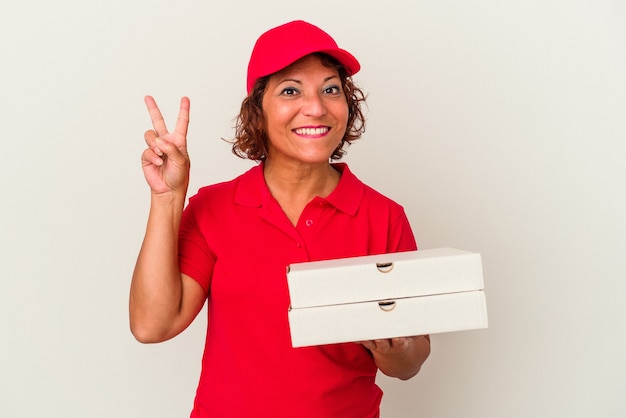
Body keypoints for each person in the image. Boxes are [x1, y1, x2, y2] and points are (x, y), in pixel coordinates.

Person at [130, 20, 430, 418]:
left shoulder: (383, 216)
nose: (316, 107)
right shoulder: (213, 208)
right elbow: (152, 326)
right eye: (291, 90)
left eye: (330, 89)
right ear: (258, 110)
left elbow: (409, 365)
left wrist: (398, 348)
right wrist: (167, 198)